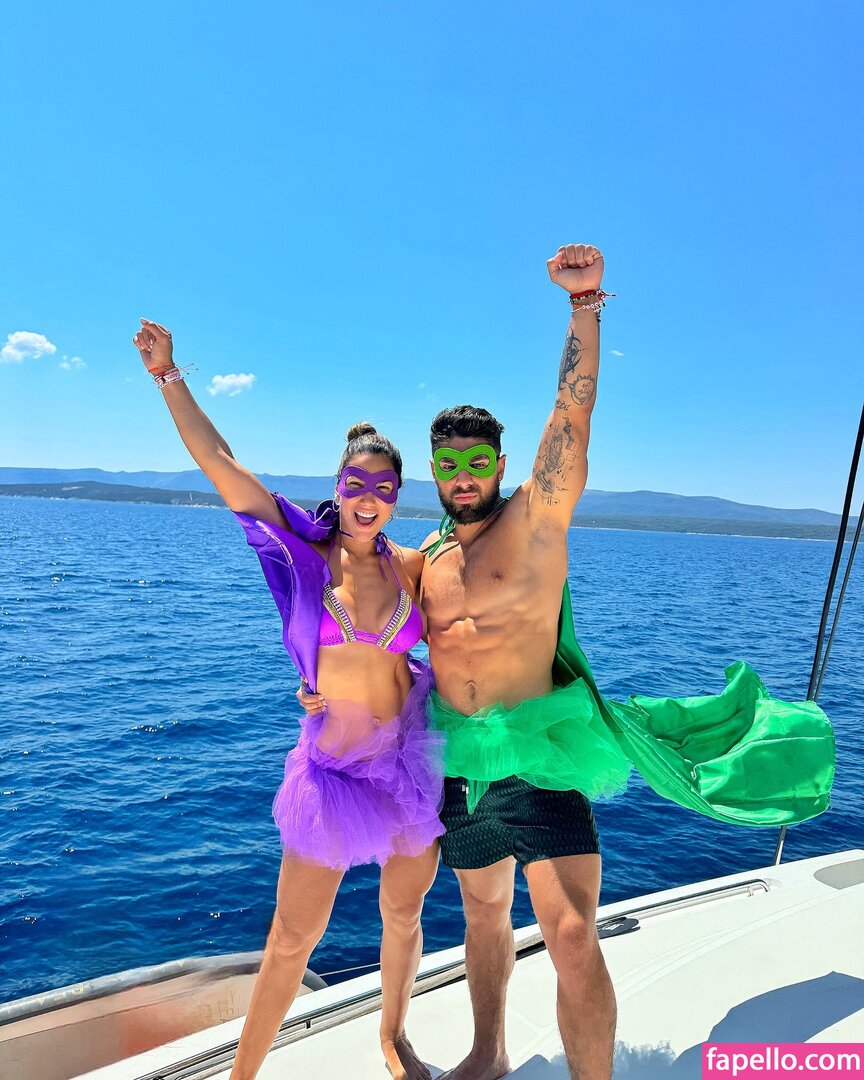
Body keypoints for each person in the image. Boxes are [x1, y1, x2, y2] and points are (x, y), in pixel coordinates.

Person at [413, 243, 834, 1080]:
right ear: (435, 469)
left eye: (477, 463)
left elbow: (572, 414)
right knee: (482, 917)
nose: (463, 477)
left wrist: (583, 306)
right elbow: (363, 624)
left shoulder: (535, 522)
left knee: (571, 935)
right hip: (459, 765)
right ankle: (488, 1055)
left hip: (544, 759)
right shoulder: (422, 559)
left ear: (499, 466)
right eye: (449, 464)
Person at [131, 319, 444, 1080]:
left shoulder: (411, 567)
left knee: (404, 916)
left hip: (409, 761)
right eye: (356, 484)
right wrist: (168, 376)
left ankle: (393, 1038)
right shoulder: (302, 554)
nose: (368, 499)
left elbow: (471, 620)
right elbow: (220, 464)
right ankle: (243, 1075)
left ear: (397, 499)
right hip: (333, 773)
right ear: (338, 486)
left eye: (383, 489)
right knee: (292, 940)